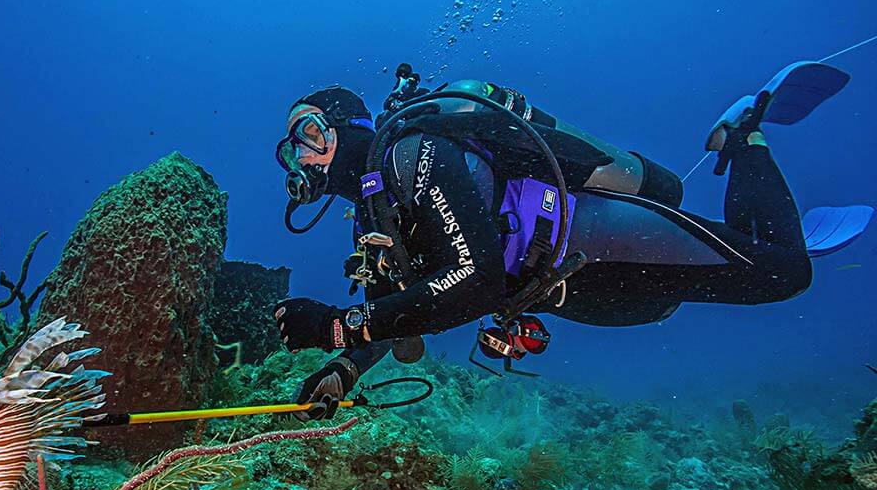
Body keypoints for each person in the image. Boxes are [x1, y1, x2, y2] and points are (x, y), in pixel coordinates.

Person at [271, 74, 817, 420]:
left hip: (596, 235)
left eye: (311, 134)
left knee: (785, 273)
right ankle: (745, 200)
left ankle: (744, 135)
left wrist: (337, 326)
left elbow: (475, 279)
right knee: (689, 294)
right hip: (568, 290)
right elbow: (396, 315)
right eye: (290, 152)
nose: (303, 158)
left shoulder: (412, 153)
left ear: (349, 127)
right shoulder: (376, 215)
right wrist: (345, 368)